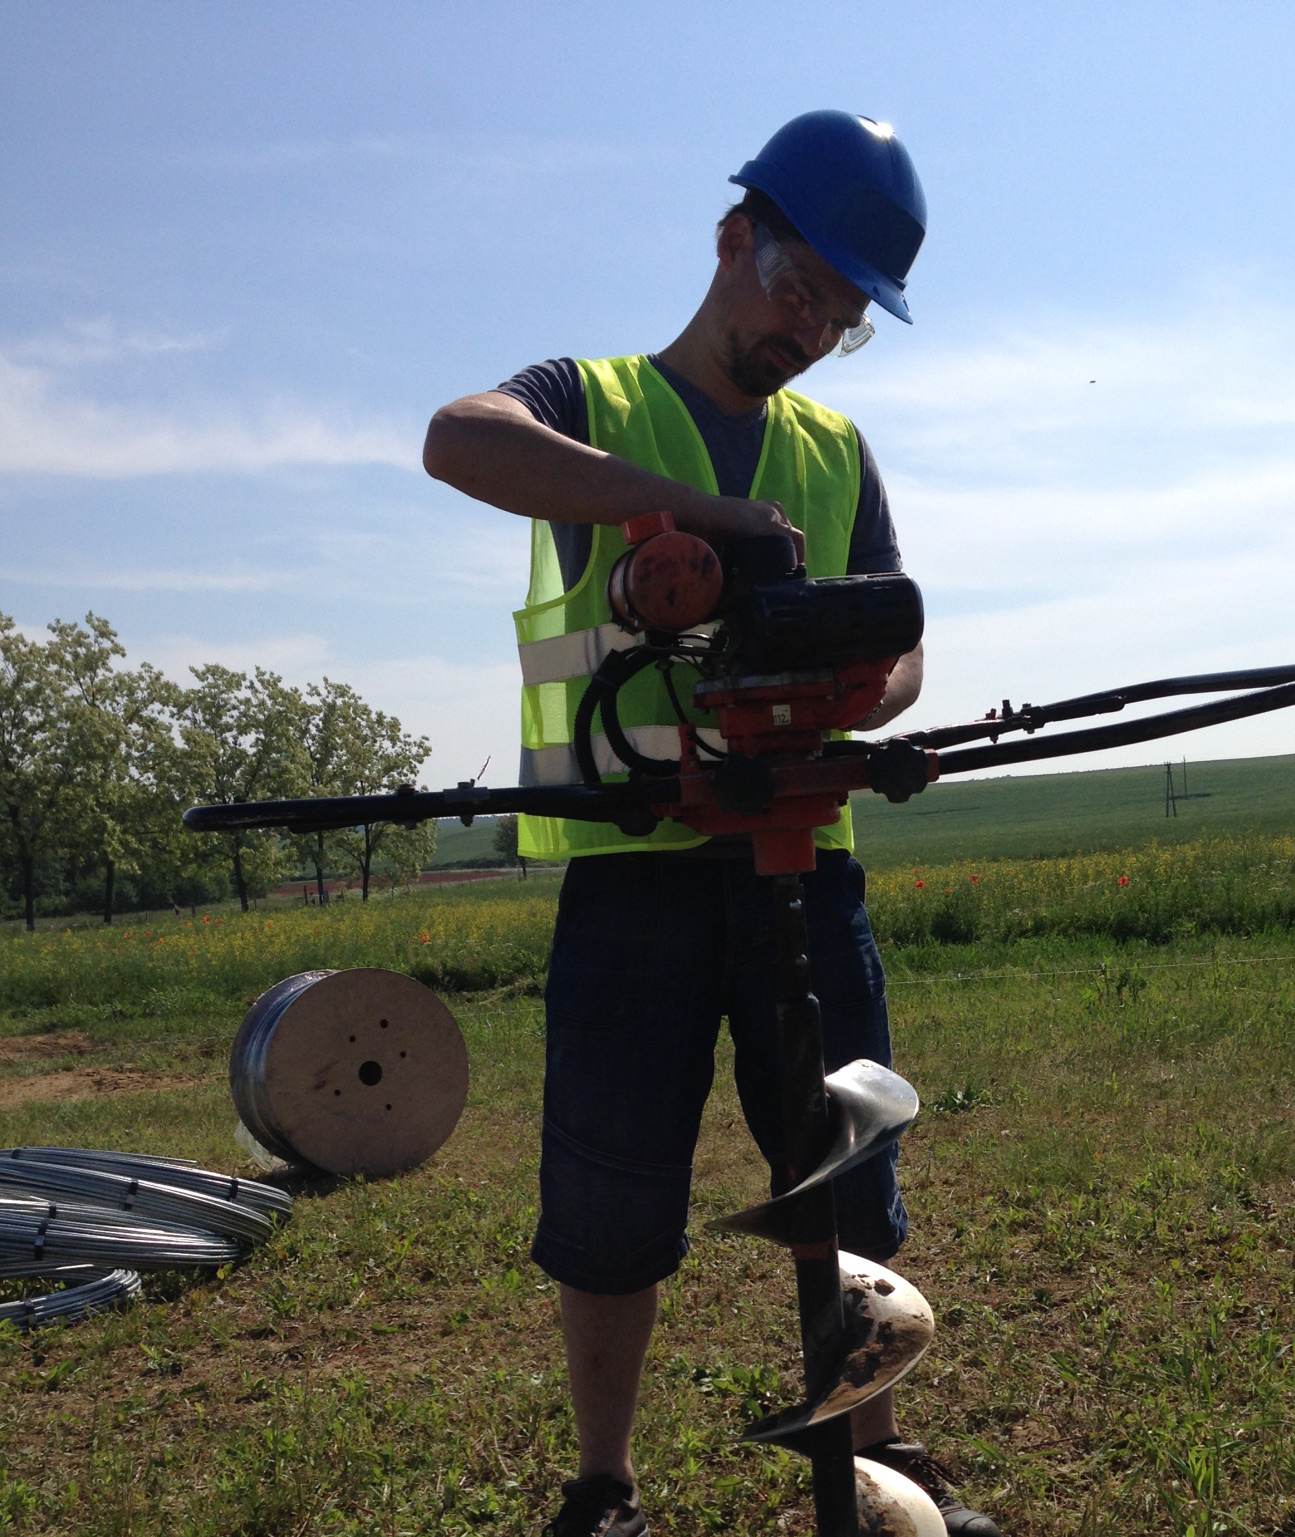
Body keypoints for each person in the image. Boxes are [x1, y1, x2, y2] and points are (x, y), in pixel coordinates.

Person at [425, 110, 1001, 1537]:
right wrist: (694, 518)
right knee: (613, 1198)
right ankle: (604, 1487)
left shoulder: (835, 446)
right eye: (800, 288)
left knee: (845, 1177)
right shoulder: (589, 397)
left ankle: (871, 1469)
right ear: (732, 236)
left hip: (809, 862)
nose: (810, 330)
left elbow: (897, 621)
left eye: (843, 317)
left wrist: (881, 681)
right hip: (635, 878)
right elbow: (456, 438)